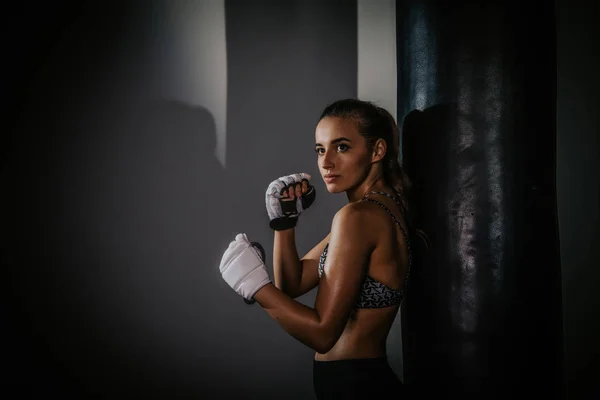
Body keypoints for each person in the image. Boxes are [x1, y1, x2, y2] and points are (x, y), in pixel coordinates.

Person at [219, 99, 421, 399]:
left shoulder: (358, 218)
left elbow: (323, 334)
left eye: (341, 147)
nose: (326, 162)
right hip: (362, 380)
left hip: (357, 386)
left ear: (377, 151)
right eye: (320, 149)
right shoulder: (380, 210)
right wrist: (284, 223)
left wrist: (256, 287)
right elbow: (293, 283)